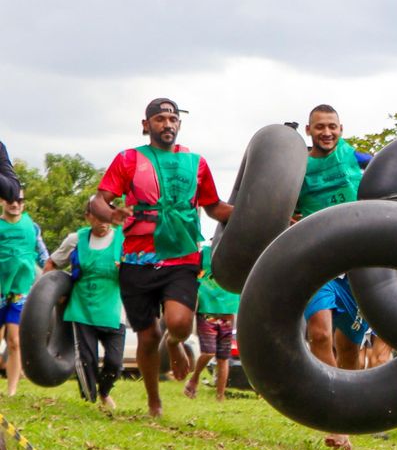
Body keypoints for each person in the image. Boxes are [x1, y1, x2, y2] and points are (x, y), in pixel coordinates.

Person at [90, 98, 233, 417]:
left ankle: (175, 342)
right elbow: (98, 200)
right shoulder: (128, 159)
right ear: (146, 125)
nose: (167, 124)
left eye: (172, 119)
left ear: (179, 124)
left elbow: (215, 207)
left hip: (181, 256)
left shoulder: (196, 163)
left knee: (178, 323)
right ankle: (154, 400)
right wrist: (111, 214)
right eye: (159, 119)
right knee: (147, 335)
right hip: (136, 259)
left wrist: (259, 213)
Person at [295, 105, 372, 450]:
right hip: (318, 262)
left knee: (350, 348)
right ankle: (334, 420)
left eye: (332, 127)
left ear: (341, 128)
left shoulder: (355, 157)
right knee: (320, 333)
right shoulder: (298, 167)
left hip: (356, 262)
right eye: (319, 127)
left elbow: (390, 169)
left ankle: (349, 414)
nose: (326, 133)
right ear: (308, 130)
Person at [45, 199, 126, 410]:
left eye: (108, 216)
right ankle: (89, 404)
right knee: (87, 361)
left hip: (113, 311)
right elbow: (52, 263)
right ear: (88, 217)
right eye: (98, 216)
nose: (104, 221)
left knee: (115, 363)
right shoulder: (76, 239)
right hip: (82, 309)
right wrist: (52, 294)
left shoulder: (123, 239)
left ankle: (104, 392)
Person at [0, 188, 44, 396]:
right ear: (2, 201)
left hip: (21, 290)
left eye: (19, 200)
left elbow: (43, 255)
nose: (15, 204)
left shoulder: (31, 227)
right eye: (10, 200)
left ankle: (11, 391)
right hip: (0, 289)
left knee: (15, 341)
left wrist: (54, 278)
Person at [185, 241, 236, 401]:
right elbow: (193, 275)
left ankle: (220, 397)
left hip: (227, 313)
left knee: (223, 358)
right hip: (207, 311)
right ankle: (194, 379)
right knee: (209, 352)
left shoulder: (238, 253)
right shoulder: (205, 253)